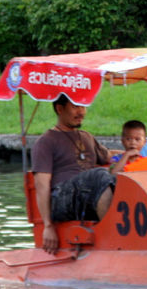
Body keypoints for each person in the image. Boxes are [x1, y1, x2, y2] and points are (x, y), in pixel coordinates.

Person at [32, 94, 115, 254]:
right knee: (99, 174)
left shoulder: (86, 136)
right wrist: (47, 226)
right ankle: (111, 238)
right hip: (61, 198)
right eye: (75, 107)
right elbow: (41, 185)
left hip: (88, 193)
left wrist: (135, 153)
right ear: (60, 109)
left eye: (83, 106)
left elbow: (110, 156)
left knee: (120, 180)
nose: (81, 112)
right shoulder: (46, 142)